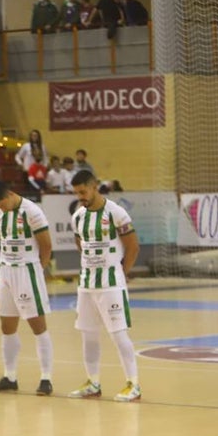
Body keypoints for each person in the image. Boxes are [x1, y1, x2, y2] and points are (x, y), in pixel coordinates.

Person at [68, 170, 142, 402]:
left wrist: (121, 273)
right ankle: (93, 382)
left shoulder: (116, 213)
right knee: (88, 335)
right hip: (86, 285)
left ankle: (133, 384)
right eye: (76, 193)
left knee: (118, 334)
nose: (80, 197)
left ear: (94, 187)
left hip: (111, 285)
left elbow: (133, 246)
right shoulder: (78, 216)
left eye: (83, 192)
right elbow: (80, 243)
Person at [0, 180, 55, 396]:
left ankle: (46, 378)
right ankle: (10, 376)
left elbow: (46, 245)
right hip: (6, 271)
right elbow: (2, 239)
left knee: (37, 325)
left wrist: (38, 269)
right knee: (7, 326)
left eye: (1, 204)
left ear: (9, 194)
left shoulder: (32, 212)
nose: (0, 208)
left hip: (28, 270)